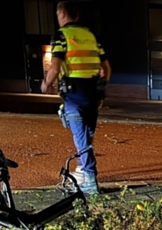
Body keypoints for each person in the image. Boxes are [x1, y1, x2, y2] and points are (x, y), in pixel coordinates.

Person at [41, 1, 112, 195]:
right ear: (77, 15)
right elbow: (106, 69)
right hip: (92, 94)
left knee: (80, 137)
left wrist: (46, 83)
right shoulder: (91, 36)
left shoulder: (61, 36)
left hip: (73, 94)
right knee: (86, 135)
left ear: (61, 13)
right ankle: (82, 170)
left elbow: (55, 66)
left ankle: (89, 178)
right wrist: (100, 91)